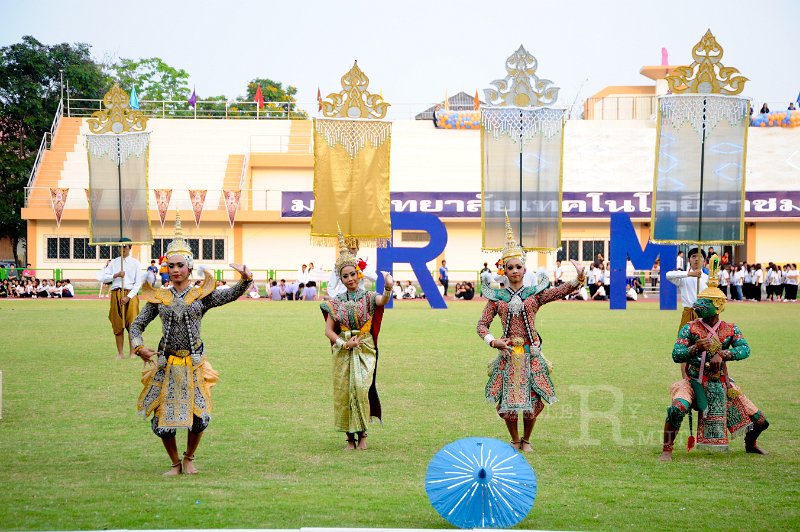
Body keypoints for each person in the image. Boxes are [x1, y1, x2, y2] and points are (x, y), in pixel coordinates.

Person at [131, 215, 253, 476]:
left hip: (194, 363)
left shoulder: (201, 295)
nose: (175, 270)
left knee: (200, 418)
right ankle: (175, 463)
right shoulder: (158, 297)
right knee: (162, 422)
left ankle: (189, 458)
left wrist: (244, 280)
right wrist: (139, 347)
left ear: (189, 267)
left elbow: (229, 295)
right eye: (171, 266)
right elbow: (136, 325)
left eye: (180, 266)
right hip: (167, 364)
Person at [477, 216, 585, 452]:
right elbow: (481, 325)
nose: (514, 271)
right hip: (508, 355)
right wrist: (493, 341)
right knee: (506, 401)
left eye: (518, 267)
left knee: (533, 400)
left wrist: (578, 279)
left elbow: (559, 291)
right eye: (509, 267)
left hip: (531, 352)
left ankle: (526, 441)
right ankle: (514, 440)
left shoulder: (535, 294)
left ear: (525, 269)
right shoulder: (497, 297)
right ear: (503, 269)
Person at [659, 258, 769, 461]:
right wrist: (694, 348)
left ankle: (750, 443)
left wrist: (724, 354)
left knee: (761, 422)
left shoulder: (730, 328)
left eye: (704, 302)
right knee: (677, 409)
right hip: (693, 381)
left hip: (721, 382)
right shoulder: (690, 328)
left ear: (718, 305)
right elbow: (676, 354)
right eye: (699, 301)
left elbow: (745, 349)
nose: (698, 305)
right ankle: (667, 449)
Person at [320, 230, 394, 450]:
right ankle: (349, 439)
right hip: (343, 350)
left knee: (361, 389)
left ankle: (363, 436)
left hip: (364, 347)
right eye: (345, 276)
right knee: (345, 391)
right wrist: (344, 344)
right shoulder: (335, 302)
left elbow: (383, 300)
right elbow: (329, 331)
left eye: (353, 274)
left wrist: (388, 286)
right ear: (341, 279)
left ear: (358, 274)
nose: (350, 279)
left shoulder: (369, 297)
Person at [99, 238, 144, 359]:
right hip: (116, 293)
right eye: (121, 247)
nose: (123, 249)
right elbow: (102, 277)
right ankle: (120, 353)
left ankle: (132, 352)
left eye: (125, 246)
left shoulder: (135, 263)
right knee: (117, 323)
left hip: (130, 294)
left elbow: (138, 283)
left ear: (130, 248)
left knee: (132, 323)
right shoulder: (114, 262)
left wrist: (128, 297)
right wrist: (116, 275)